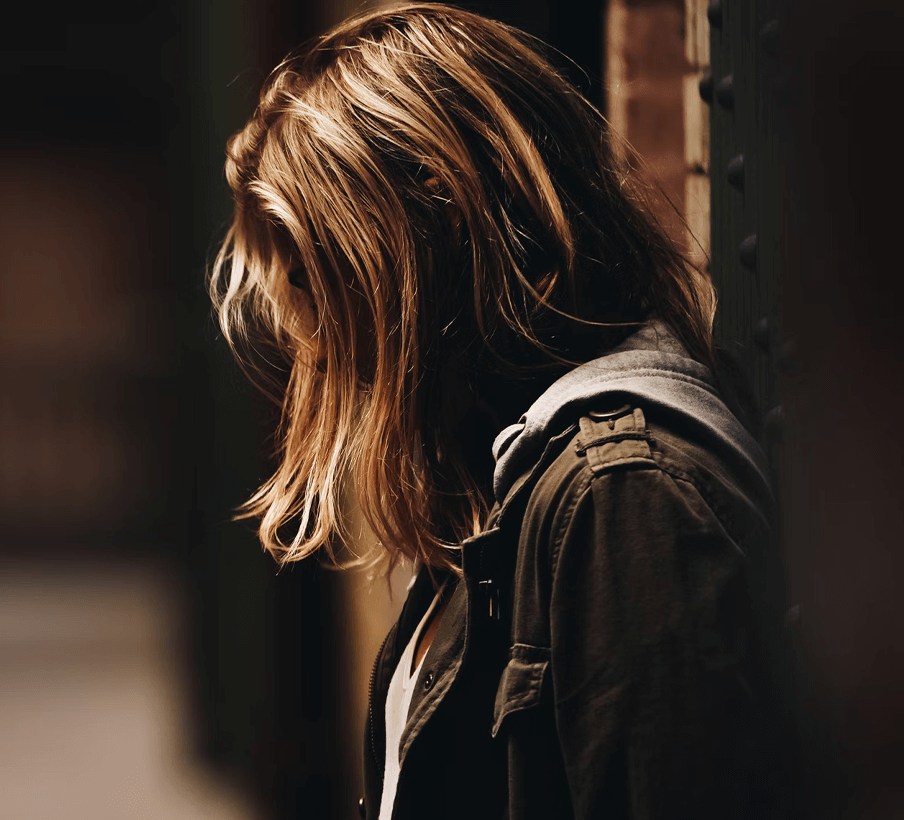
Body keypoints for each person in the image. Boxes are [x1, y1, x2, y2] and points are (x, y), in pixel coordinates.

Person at [209, 4, 798, 819]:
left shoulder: (624, 495)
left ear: (429, 223)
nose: (306, 329)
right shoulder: (510, 482)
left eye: (314, 270)